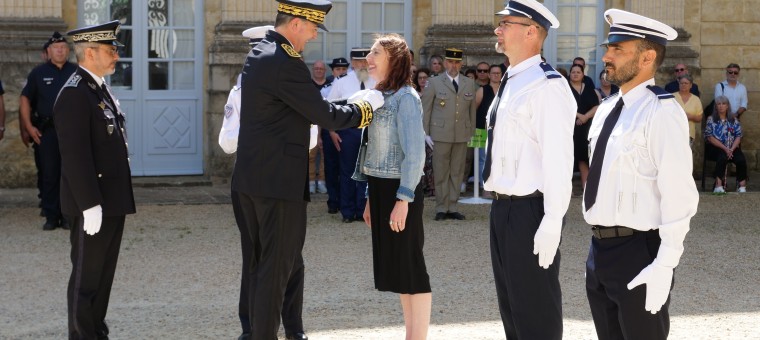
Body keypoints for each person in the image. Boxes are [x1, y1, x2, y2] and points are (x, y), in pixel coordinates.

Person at [232, 1, 381, 338]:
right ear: (297, 23)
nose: (314, 35)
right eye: (313, 28)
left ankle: (255, 332)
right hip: (277, 185)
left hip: (251, 180)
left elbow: (308, 107)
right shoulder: (287, 63)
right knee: (274, 270)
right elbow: (323, 114)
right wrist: (366, 110)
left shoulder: (261, 53)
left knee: (259, 266)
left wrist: (354, 103)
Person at [582, 9, 699, 340]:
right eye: (609, 47)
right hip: (600, 250)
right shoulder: (606, 110)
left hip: (640, 252)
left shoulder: (662, 112)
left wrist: (665, 265)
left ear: (647, 57)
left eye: (618, 49)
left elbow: (679, 196)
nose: (606, 56)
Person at [483, 1, 575, 338]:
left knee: (535, 310)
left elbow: (559, 160)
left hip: (530, 211)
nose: (498, 29)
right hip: (503, 208)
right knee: (512, 309)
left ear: (531, 31)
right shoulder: (514, 79)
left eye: (506, 23)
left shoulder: (547, 85)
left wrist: (553, 219)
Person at [218, 25, 311, 340]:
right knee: (264, 260)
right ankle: (257, 328)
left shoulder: (276, 84)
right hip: (266, 181)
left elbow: (310, 138)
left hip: (269, 179)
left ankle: (285, 328)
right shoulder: (242, 91)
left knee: (285, 261)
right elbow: (226, 142)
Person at [53, 20, 136, 340]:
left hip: (111, 198)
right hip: (93, 202)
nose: (116, 56)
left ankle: (95, 331)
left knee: (103, 276)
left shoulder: (97, 87)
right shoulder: (75, 93)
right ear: (89, 52)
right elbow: (75, 156)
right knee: (87, 277)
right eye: (111, 50)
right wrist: (89, 204)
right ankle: (82, 334)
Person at [358, 32, 431, 340]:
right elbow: (372, 148)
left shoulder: (407, 98)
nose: (368, 59)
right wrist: (369, 198)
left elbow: (415, 154)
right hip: (379, 188)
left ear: (394, 59)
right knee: (399, 271)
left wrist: (403, 199)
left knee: (411, 267)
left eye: (375, 53)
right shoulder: (378, 95)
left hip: (401, 190)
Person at [20, 31, 78, 230]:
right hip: (47, 131)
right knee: (49, 173)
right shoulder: (38, 73)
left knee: (69, 174)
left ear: (68, 51)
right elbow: (25, 99)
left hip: (71, 131)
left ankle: (68, 214)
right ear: (49, 51)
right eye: (56, 48)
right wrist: (29, 126)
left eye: (63, 47)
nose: (60, 50)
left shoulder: (77, 72)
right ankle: (52, 216)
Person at [422, 47, 477, 221]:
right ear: (445, 63)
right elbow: (426, 109)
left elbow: (471, 111)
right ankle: (441, 207)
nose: (454, 65)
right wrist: (426, 133)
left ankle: (452, 206)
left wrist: (471, 131)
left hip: (461, 134)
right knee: (441, 171)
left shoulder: (468, 83)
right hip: (440, 133)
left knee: (457, 171)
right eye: (450, 62)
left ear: (461, 64)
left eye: (457, 62)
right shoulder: (435, 82)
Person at [326, 47, 377, 223]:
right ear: (352, 63)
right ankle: (347, 211)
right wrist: (332, 132)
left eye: (365, 61)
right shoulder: (341, 82)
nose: (362, 65)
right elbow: (329, 108)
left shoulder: (375, 80)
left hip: (370, 131)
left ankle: (362, 210)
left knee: (366, 172)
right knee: (347, 172)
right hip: (348, 132)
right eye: (359, 62)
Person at [321, 56, 350, 214]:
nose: (341, 72)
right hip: (329, 129)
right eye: (338, 69)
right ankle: (333, 201)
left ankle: (345, 200)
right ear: (332, 71)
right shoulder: (325, 89)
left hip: (347, 129)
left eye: (344, 69)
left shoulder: (351, 85)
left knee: (346, 167)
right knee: (331, 167)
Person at [705, 95, 747, 193]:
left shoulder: (733, 119)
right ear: (716, 106)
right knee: (722, 157)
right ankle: (719, 185)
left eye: (723, 104)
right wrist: (725, 148)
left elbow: (738, 136)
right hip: (716, 147)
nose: (721, 106)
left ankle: (742, 185)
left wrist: (731, 149)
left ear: (727, 106)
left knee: (740, 159)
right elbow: (710, 137)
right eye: (718, 104)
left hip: (731, 147)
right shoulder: (711, 119)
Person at [568, 63, 600, 188]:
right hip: (569, 129)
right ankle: (566, 191)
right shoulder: (565, 88)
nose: (575, 74)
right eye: (573, 72)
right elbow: (562, 106)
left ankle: (585, 189)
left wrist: (585, 116)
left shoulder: (588, 88)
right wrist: (578, 115)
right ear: (569, 74)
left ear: (583, 75)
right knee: (568, 159)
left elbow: (597, 106)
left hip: (586, 129)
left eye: (578, 72)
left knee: (583, 158)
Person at [473, 64, 502, 197]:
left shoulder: (505, 90)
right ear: (489, 75)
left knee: (498, 158)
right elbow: (474, 109)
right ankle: (484, 187)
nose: (496, 75)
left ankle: (497, 186)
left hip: (501, 130)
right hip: (481, 130)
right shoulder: (482, 90)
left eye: (498, 73)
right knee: (483, 159)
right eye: (493, 73)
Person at [309, 60, 329, 194]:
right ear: (312, 70)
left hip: (328, 124)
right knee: (311, 154)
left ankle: (322, 181)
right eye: (316, 68)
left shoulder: (331, 84)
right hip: (311, 124)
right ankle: (311, 181)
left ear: (325, 71)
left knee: (325, 155)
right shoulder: (308, 85)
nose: (318, 71)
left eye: (321, 69)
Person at [672, 74, 703, 147]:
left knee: (686, 157)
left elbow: (699, 118)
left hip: (689, 134)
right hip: (673, 133)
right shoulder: (672, 97)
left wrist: (691, 116)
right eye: (681, 83)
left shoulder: (696, 99)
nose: (683, 85)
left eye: (686, 83)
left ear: (691, 85)